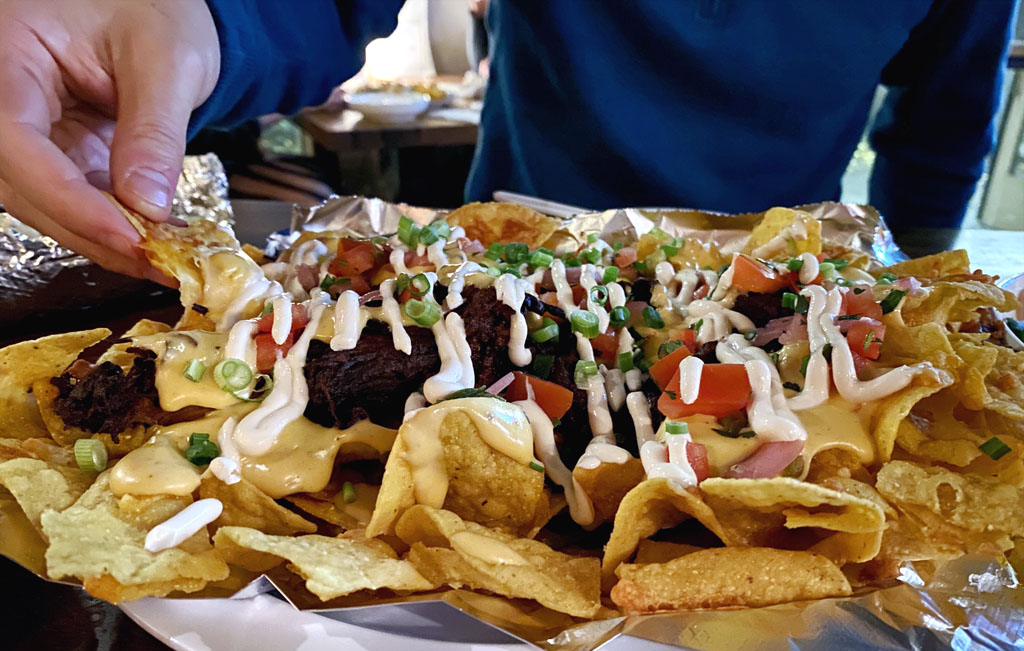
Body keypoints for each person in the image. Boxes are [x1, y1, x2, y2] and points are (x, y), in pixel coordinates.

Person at [0, 0, 1016, 283]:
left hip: (770, 299)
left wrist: (915, 297)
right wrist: (197, 19)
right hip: (485, 277)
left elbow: (941, 128)